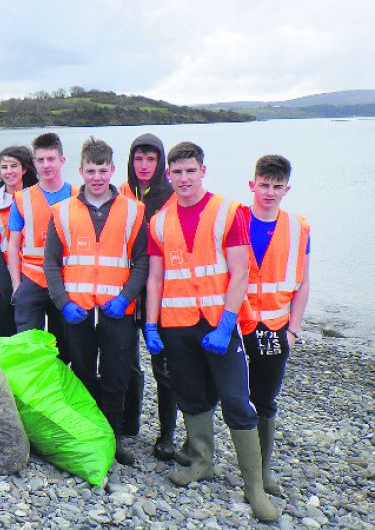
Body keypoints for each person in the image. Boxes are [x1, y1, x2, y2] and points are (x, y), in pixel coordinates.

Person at [144, 142, 279, 522]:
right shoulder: (159, 222)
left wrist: (226, 324)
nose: (183, 179)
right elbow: (156, 278)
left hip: (218, 324)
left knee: (237, 399)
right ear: (168, 175)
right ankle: (202, 460)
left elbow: (241, 271)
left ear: (203, 171)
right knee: (191, 395)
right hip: (176, 325)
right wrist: (151, 325)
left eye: (190, 171)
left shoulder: (227, 212)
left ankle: (253, 485)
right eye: (177, 172)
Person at [44, 137, 148, 465]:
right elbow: (50, 262)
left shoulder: (133, 210)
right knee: (84, 373)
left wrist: (126, 296)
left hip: (117, 310)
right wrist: (62, 302)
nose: (97, 177)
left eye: (103, 170)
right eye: (91, 170)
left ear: (113, 170)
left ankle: (113, 437)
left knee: (117, 376)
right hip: (78, 311)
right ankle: (89, 434)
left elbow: (142, 260)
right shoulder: (61, 212)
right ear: (81, 171)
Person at [239, 154, 310, 497]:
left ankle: (262, 471)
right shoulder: (235, 220)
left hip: (276, 326)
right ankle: (209, 456)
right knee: (227, 393)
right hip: (238, 323)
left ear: (286, 189)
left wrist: (294, 329)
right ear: (252, 185)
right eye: (264, 185)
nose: (269, 192)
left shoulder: (299, 228)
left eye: (276, 186)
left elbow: (303, 283)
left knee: (265, 399)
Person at [119, 133, 182, 461]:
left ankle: (167, 434)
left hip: (161, 293)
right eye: (138, 159)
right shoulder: (122, 193)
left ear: (161, 164)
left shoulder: (173, 198)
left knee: (164, 366)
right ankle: (130, 423)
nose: (143, 166)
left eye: (151, 159)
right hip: (129, 290)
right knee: (128, 360)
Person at [7, 133, 74, 358]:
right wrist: (17, 284)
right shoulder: (22, 198)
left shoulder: (76, 196)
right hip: (32, 280)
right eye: (41, 160)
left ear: (62, 161)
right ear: (34, 163)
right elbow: (13, 245)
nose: (46, 165)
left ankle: (64, 385)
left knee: (66, 343)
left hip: (66, 282)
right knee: (28, 344)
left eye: (51, 159)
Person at [0, 146, 39, 336]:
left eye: (14, 166)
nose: (9, 171)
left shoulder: (37, 197)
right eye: (4, 167)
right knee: (6, 338)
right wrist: (8, 286)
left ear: (24, 169)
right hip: (1, 282)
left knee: (34, 337)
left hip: (34, 279)